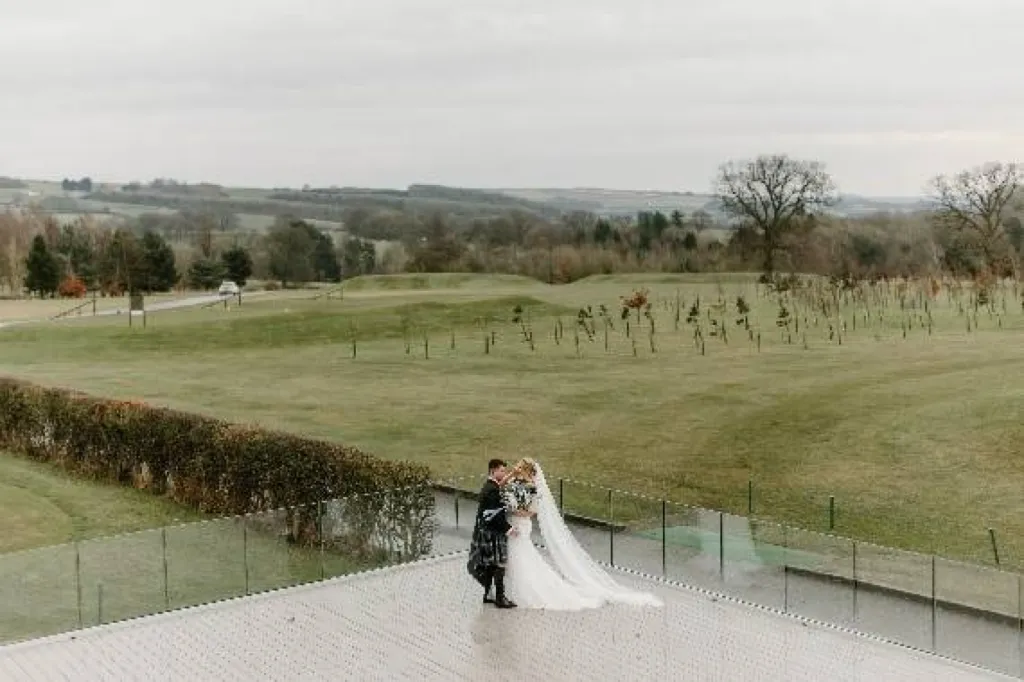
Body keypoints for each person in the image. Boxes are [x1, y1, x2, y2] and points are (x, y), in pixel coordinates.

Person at [499, 457, 663, 611]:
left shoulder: (533, 488)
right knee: (518, 555)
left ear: (527, 470)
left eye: (520, 467)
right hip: (513, 523)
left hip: (520, 524)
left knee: (520, 554)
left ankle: (521, 590)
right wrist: (511, 477)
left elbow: (531, 511)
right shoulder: (516, 482)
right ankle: (512, 588)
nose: (516, 468)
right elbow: (501, 486)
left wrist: (514, 510)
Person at [467, 458, 518, 609]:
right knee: (499, 565)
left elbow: (499, 486)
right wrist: (509, 529)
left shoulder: (490, 486)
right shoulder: (492, 491)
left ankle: (488, 594)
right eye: (502, 471)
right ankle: (500, 598)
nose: (504, 473)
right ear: (493, 471)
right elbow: (494, 515)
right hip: (493, 533)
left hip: (487, 532)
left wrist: (512, 475)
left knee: (490, 565)